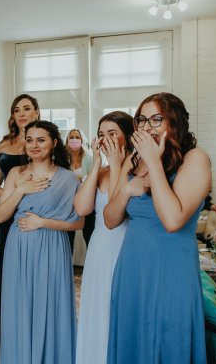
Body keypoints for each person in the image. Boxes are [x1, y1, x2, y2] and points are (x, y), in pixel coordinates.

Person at [104, 93, 210, 363]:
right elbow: (110, 219)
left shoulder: (194, 159)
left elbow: (173, 220)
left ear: (175, 123)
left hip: (171, 270)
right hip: (131, 269)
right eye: (142, 120)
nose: (147, 126)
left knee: (167, 338)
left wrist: (153, 161)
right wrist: (127, 188)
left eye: (156, 119)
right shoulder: (132, 162)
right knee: (132, 338)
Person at [0, 120, 84, 363]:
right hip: (19, 248)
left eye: (41, 139)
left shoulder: (69, 179)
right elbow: (2, 215)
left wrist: (43, 223)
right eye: (30, 139)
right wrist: (20, 190)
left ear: (54, 143)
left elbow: (79, 223)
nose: (34, 145)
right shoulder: (16, 174)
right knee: (20, 306)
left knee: (49, 305)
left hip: (52, 247)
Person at [74, 111, 135, 364]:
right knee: (97, 307)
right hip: (99, 247)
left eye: (112, 133)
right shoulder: (100, 171)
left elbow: (115, 214)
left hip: (124, 245)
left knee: (116, 308)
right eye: (101, 134)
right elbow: (82, 208)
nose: (106, 139)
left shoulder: (137, 167)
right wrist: (98, 164)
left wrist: (119, 165)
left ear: (127, 136)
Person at [0, 94, 39, 356]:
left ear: (37, 112)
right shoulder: (5, 143)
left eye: (27, 108)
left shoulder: (43, 139)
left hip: (38, 215)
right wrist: (9, 194)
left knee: (35, 274)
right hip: (9, 216)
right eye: (17, 109)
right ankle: (4, 341)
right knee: (9, 275)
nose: (21, 113)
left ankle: (36, 335)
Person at [66, 129, 96, 251]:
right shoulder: (62, 158)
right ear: (67, 140)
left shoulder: (88, 158)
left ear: (81, 140)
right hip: (67, 202)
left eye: (77, 137)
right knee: (68, 237)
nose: (74, 139)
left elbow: (92, 178)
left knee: (89, 234)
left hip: (86, 201)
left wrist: (78, 178)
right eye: (71, 137)